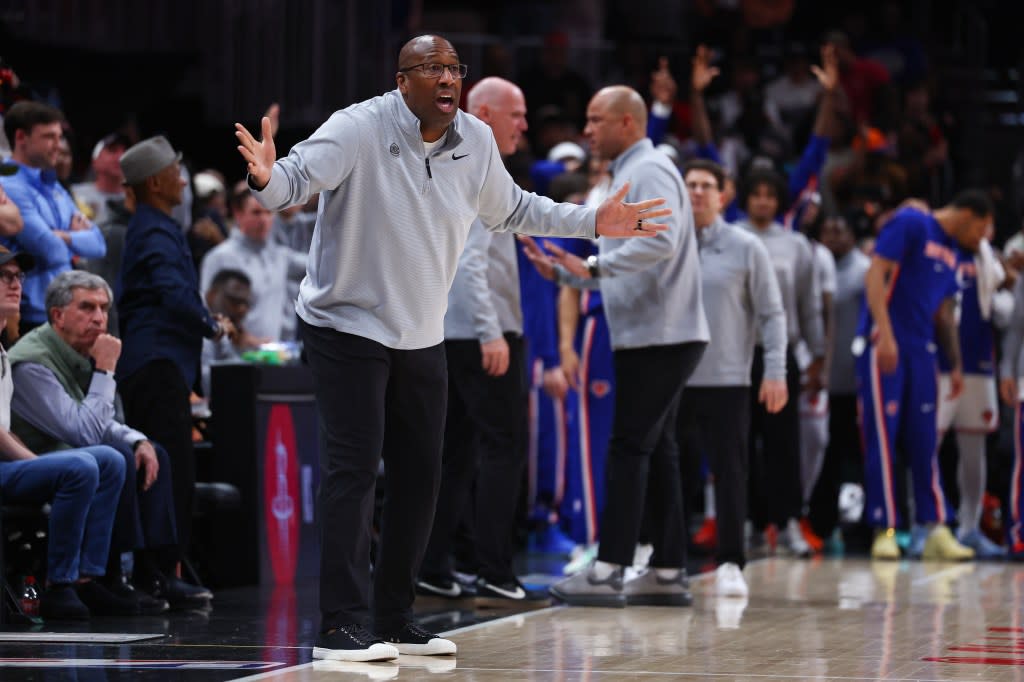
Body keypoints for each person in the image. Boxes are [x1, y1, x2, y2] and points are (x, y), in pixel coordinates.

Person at [234, 35, 670, 662]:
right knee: (354, 471)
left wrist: (593, 222)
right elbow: (292, 181)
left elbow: (512, 209)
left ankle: (394, 618)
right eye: (431, 68)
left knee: (421, 476)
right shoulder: (358, 126)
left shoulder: (477, 140)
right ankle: (340, 627)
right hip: (344, 324)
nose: (446, 79)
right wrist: (265, 177)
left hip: (421, 331)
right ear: (402, 80)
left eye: (453, 69)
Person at [520, 85, 709, 608]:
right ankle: (667, 571)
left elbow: (660, 242)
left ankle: (608, 570)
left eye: (595, 119)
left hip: (659, 333)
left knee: (628, 448)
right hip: (660, 332)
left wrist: (592, 266)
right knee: (658, 450)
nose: (586, 130)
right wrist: (569, 275)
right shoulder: (631, 171)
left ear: (627, 122)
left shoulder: (647, 170)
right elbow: (620, 262)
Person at [8, 270, 211, 610]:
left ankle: (154, 572)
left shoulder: (79, 349)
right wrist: (105, 371)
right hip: (35, 459)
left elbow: (102, 421)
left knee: (150, 451)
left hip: (70, 454)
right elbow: (82, 431)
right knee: (113, 456)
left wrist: (137, 439)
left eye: (103, 308)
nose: (99, 318)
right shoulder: (33, 362)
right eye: (87, 307)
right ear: (58, 315)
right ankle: (106, 575)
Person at [418, 76, 543, 604]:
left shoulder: (453, 162)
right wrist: (492, 333)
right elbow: (470, 264)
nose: (524, 125)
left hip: (452, 332)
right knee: (503, 449)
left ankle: (431, 566)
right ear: (485, 114)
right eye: (517, 114)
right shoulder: (475, 164)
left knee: (456, 454)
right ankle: (494, 571)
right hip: (480, 335)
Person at [116, 135, 237, 595]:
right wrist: (211, 325)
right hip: (155, 364)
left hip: (159, 364)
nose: (183, 181)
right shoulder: (154, 231)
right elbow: (173, 292)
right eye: (174, 172)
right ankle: (161, 573)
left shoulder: (156, 226)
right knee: (168, 470)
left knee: (170, 468)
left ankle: (163, 570)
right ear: (154, 182)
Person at [858, 192, 991, 561]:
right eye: (980, 229)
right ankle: (885, 528)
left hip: (923, 350)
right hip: (886, 344)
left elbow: (944, 313)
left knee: (925, 441)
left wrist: (955, 364)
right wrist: (884, 335)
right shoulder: (913, 223)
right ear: (967, 215)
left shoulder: (953, 250)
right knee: (883, 438)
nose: (981, 239)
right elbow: (875, 273)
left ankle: (935, 527)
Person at [0, 246, 130, 621]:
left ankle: (89, 578)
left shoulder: (3, 350)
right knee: (81, 464)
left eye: (18, 276)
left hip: (9, 462)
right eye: (4, 277)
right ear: (57, 315)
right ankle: (59, 584)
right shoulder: (31, 356)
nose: (15, 284)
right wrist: (35, 463)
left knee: (110, 459)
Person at [675, 159, 786, 598]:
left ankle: (730, 562)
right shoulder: (666, 241)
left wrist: (775, 370)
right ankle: (664, 561)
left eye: (706, 185)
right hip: (674, 378)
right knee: (672, 473)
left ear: (723, 195)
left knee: (730, 473)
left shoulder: (746, 246)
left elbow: (772, 314)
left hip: (727, 380)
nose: (697, 192)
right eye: (690, 184)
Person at [0, 101, 106, 335]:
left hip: (59, 314)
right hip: (28, 317)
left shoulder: (54, 185)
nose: (58, 145)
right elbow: (51, 252)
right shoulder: (9, 186)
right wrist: (74, 238)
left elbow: (99, 244)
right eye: (49, 137)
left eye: (59, 137)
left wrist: (64, 237)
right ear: (21, 137)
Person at [200, 188, 306, 342]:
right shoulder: (219, 258)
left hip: (275, 353)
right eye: (256, 212)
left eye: (268, 213)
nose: (263, 219)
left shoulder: (281, 256)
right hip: (233, 355)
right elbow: (209, 316)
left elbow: (319, 267)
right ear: (238, 214)